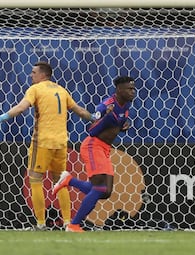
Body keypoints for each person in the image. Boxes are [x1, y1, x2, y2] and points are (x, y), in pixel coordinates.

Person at [0, 61, 95, 230]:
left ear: (43, 74)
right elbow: (79, 111)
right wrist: (95, 118)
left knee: (35, 180)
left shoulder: (35, 89)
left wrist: (2, 117)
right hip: (61, 143)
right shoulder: (61, 90)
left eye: (34, 72)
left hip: (42, 142)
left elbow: (21, 107)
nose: (31, 75)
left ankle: (41, 224)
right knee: (61, 181)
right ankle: (68, 223)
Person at [52, 76, 136, 232]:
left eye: (133, 88)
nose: (133, 92)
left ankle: (69, 180)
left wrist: (121, 126)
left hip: (104, 148)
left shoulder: (125, 106)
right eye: (129, 89)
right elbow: (92, 130)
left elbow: (114, 125)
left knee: (106, 191)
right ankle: (73, 224)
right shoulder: (105, 106)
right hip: (93, 146)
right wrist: (107, 118)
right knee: (100, 188)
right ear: (119, 90)